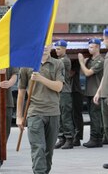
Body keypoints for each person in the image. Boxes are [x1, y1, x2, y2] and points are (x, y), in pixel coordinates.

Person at [17, 44, 64, 174]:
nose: (44, 47)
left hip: (53, 112)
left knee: (48, 151)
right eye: (42, 43)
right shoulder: (26, 65)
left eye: (47, 44)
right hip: (34, 113)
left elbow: (59, 87)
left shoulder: (58, 64)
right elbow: (21, 93)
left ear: (51, 46)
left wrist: (40, 78)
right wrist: (19, 117)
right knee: (38, 148)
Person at [78, 38, 104, 148]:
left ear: (98, 47)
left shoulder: (100, 60)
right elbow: (82, 72)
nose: (89, 49)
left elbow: (88, 73)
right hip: (89, 92)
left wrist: (80, 61)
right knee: (92, 115)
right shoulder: (90, 60)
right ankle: (96, 138)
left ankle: (96, 139)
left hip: (96, 92)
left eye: (91, 47)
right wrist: (83, 63)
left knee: (95, 116)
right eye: (88, 47)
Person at [54, 40, 74, 149]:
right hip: (59, 91)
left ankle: (69, 138)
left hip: (65, 91)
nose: (56, 51)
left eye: (59, 49)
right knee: (60, 116)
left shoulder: (64, 60)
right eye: (56, 49)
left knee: (65, 116)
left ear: (64, 49)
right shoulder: (58, 60)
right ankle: (61, 138)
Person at [94, 29, 108, 169]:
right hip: (104, 95)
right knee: (107, 128)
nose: (103, 40)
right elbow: (105, 75)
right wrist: (98, 91)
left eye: (104, 37)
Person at [70, 59, 84, 146]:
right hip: (69, 91)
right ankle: (72, 136)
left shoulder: (74, 60)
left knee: (76, 115)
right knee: (70, 115)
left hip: (75, 90)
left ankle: (77, 137)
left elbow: (71, 73)